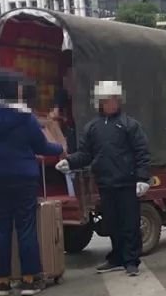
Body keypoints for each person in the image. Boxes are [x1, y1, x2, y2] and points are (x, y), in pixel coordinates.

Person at [0, 71, 63, 296]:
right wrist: (60, 149)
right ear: (11, 91)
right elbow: (41, 147)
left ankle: (3, 282)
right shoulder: (24, 118)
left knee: (2, 227)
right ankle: (28, 279)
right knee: (25, 226)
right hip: (22, 178)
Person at [57, 80, 150, 277]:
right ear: (99, 102)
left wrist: (142, 178)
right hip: (105, 183)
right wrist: (70, 162)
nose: (111, 103)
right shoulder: (93, 128)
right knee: (112, 223)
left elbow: (142, 153)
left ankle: (131, 261)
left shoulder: (129, 125)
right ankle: (116, 258)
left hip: (127, 183)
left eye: (114, 99)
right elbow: (85, 154)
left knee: (130, 224)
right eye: (107, 100)